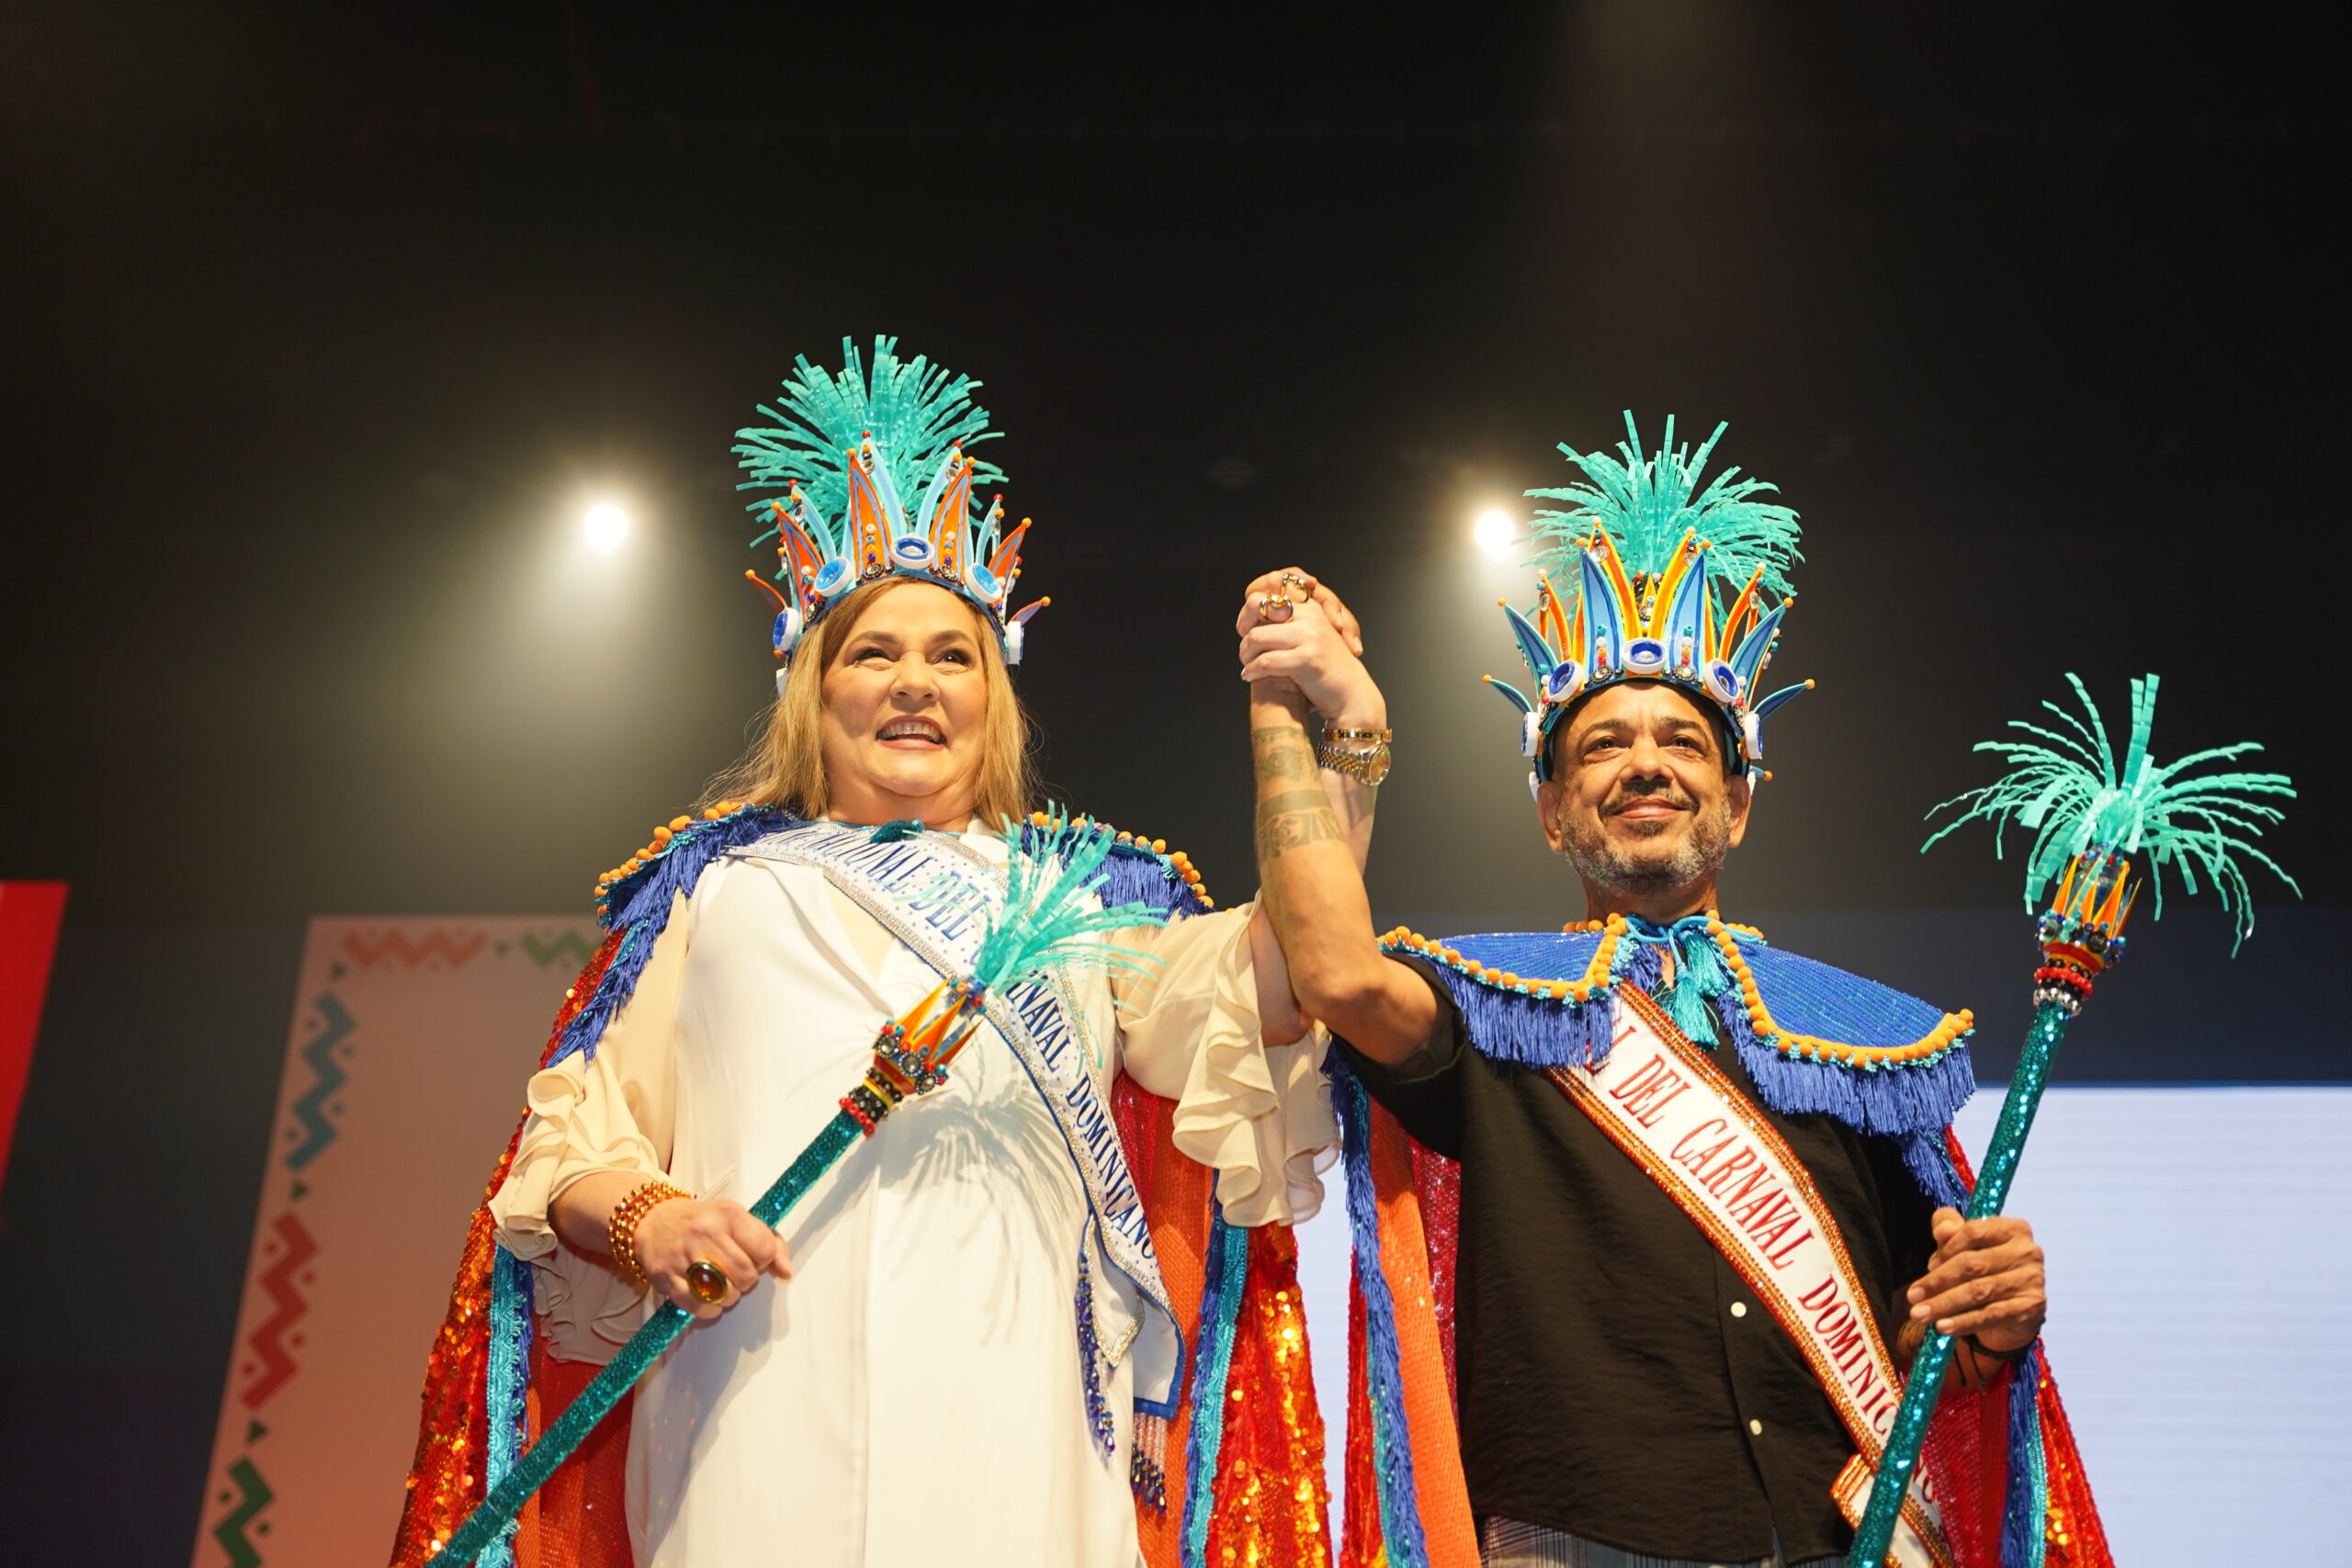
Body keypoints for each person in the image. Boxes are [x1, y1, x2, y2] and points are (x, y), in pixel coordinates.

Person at [389, 340, 1366, 1568]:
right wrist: (654, 1219)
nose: (915, 682)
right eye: (873, 652)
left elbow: (1293, 976)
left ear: (993, 694)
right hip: (750, 1413)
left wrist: (1332, 733)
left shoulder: (1081, 898)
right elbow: (570, 1152)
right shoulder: (715, 886)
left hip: (1021, 1427)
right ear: (814, 687)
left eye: (952, 654)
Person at [1238, 416, 2113, 1568]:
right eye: (1601, 744)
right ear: (1551, 813)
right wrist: (1308, 716)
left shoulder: (1861, 1042)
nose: (1644, 761)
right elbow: (1334, 972)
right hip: (1575, 1537)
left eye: (1683, 742)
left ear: (1737, 805)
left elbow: (1922, 1332)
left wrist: (1987, 1317)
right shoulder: (1493, 1008)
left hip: (1832, 1535)